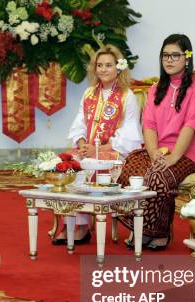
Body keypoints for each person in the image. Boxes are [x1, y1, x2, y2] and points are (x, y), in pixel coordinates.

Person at [117, 34, 195, 250]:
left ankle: (158, 232)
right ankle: (140, 227)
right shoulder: (155, 89)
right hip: (159, 149)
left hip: (192, 150)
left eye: (175, 55)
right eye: (165, 56)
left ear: (187, 58)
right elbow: (149, 126)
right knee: (133, 169)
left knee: (159, 176)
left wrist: (174, 157)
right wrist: (153, 153)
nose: (169, 60)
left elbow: (191, 125)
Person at [53, 44, 143, 244]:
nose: (103, 69)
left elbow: (130, 133)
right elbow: (79, 123)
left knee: (90, 166)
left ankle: (82, 226)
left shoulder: (127, 96)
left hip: (115, 152)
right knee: (67, 163)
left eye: (108, 65)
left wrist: (100, 148)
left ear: (118, 68)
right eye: (99, 65)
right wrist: (83, 144)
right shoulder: (89, 93)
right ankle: (70, 221)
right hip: (88, 150)